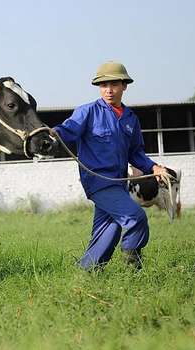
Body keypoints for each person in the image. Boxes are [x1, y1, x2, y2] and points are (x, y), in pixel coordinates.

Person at [50, 61, 167, 270]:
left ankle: (87, 271)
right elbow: (66, 130)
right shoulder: (87, 112)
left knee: (109, 228)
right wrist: (50, 133)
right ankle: (133, 267)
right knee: (136, 217)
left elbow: (136, 153)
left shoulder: (131, 119)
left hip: (119, 183)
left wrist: (154, 167)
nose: (109, 90)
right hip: (98, 182)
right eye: (104, 85)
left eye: (114, 84)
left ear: (124, 86)